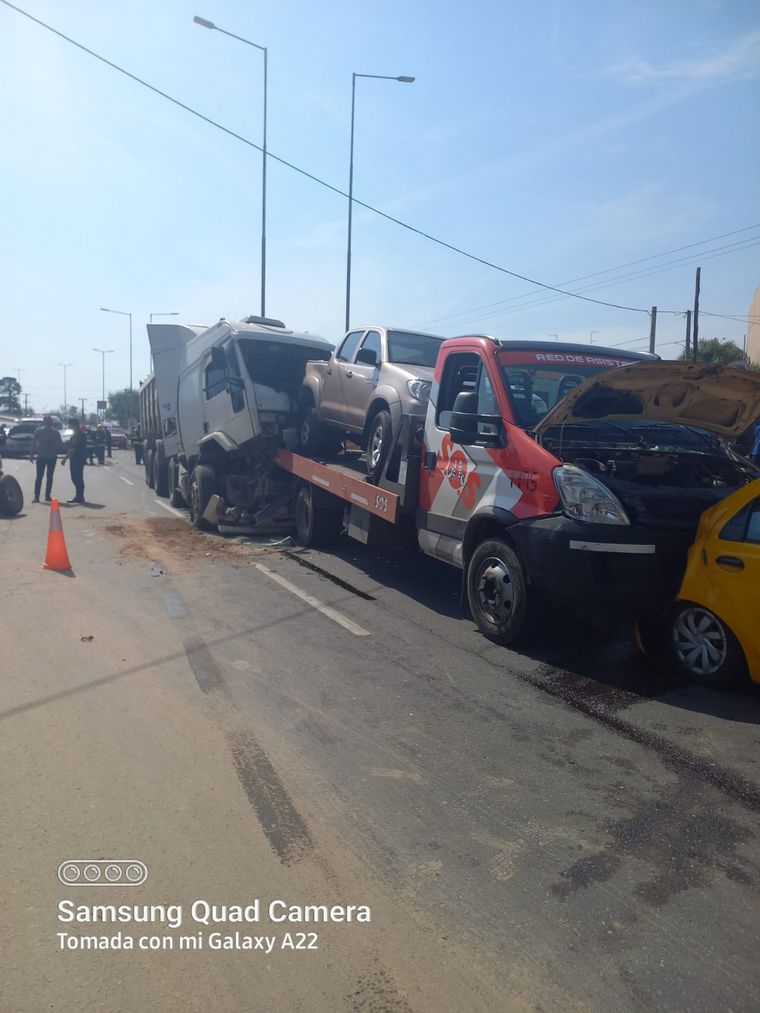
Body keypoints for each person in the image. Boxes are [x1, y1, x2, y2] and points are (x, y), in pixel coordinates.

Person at [30, 415, 63, 503]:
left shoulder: (56, 433)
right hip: (41, 457)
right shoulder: (39, 431)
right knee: (39, 477)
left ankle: (47, 495)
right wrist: (31, 454)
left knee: (50, 477)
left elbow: (60, 444)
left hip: (52, 457)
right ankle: (36, 496)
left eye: (50, 421)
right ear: (44, 422)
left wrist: (54, 443)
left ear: (52, 422)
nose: (48, 423)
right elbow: (33, 443)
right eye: (47, 421)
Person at [62, 418, 88, 504]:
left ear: (73, 425)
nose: (69, 426)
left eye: (70, 424)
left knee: (75, 478)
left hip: (76, 458)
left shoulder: (75, 435)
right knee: (79, 477)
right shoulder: (82, 434)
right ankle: (80, 496)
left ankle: (79, 496)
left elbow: (73, 448)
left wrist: (65, 459)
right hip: (82, 458)